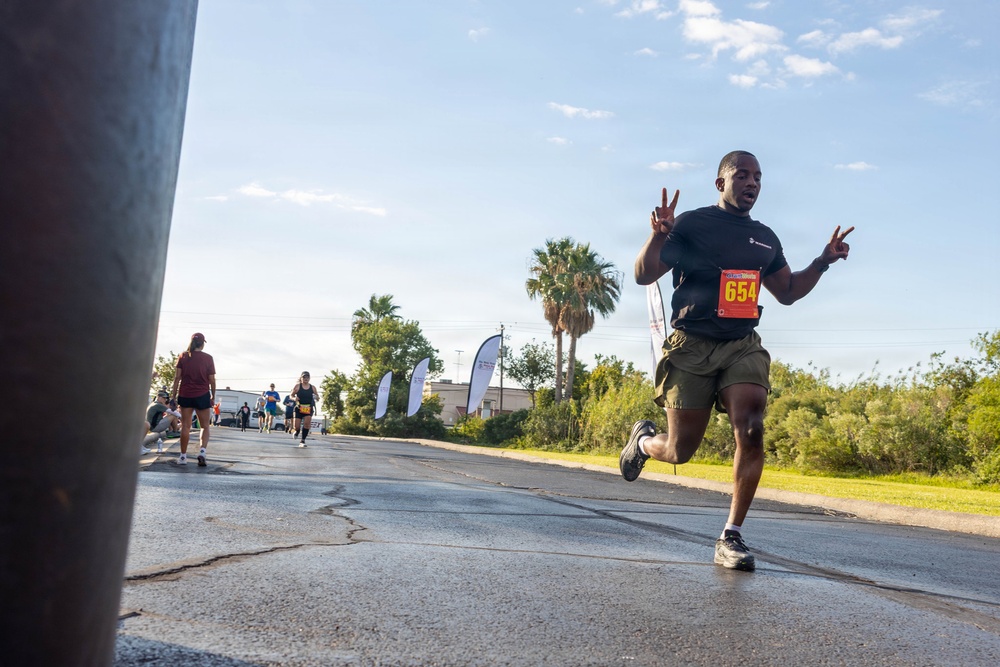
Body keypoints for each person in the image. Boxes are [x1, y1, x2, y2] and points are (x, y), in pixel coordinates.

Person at [620, 150, 853, 572]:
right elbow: (643, 274)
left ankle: (731, 535)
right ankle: (642, 442)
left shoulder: (765, 238)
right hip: (691, 345)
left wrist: (822, 261)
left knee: (752, 426)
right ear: (720, 183)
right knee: (679, 450)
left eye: (758, 178)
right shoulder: (691, 224)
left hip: (741, 345)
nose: (752, 183)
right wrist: (658, 235)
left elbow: (787, 292)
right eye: (742, 175)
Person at [170, 332, 216, 467]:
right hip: (202, 395)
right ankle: (202, 452)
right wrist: (212, 395)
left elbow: (177, 378)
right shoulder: (208, 358)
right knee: (205, 426)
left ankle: (183, 457)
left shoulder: (183, 356)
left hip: (185, 394)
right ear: (202, 344)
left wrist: (174, 395)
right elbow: (212, 380)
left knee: (185, 426)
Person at [290, 371, 320, 448]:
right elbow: (291, 395)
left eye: (307, 377)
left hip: (308, 408)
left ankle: (302, 440)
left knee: (307, 424)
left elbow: (318, 397)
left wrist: (316, 397)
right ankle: (297, 432)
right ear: (301, 378)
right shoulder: (297, 386)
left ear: (309, 378)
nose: (306, 379)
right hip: (299, 407)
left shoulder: (312, 387)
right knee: (296, 426)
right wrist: (294, 398)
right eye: (304, 377)